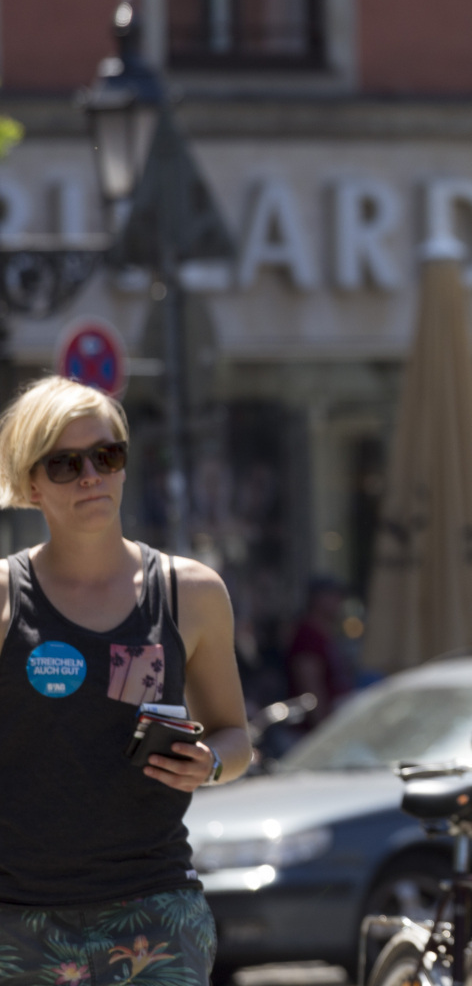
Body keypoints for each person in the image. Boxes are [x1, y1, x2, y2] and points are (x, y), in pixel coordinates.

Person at [0, 376, 251, 984]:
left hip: (156, 909)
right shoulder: (5, 598)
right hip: (22, 919)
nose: (91, 475)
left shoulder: (190, 593)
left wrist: (209, 762)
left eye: (106, 455)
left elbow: (236, 738)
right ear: (32, 484)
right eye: (65, 463)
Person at [286, 575, 355, 726]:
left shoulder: (326, 633)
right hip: (309, 733)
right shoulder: (308, 634)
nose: (339, 602)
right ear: (318, 599)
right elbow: (310, 687)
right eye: (333, 596)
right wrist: (323, 728)